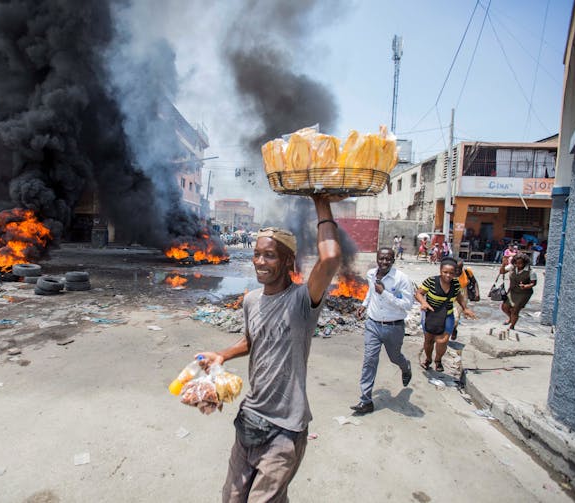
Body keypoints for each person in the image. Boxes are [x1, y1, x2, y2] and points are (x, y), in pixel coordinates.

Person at [197, 194, 344, 502]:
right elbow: (253, 340)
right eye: (256, 254)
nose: (259, 262)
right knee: (232, 497)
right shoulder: (251, 300)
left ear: (289, 261)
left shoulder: (303, 301)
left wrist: (320, 200)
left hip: (286, 429)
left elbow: (329, 258)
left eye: (270, 256)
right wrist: (222, 355)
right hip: (250, 419)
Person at [350, 248, 414, 415]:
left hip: (394, 326)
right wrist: (364, 306)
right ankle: (366, 401)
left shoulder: (401, 279)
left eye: (388, 259)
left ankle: (405, 366)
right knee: (369, 361)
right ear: (377, 258)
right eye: (381, 258)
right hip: (373, 324)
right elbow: (371, 291)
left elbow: (407, 304)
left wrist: (384, 293)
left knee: (395, 357)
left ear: (393, 260)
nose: (384, 262)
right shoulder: (371, 274)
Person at [415, 257, 476, 372]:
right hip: (431, 314)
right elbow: (418, 293)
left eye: (451, 273)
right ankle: (428, 359)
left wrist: (465, 308)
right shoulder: (431, 281)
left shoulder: (456, 284)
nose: (448, 275)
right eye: (445, 272)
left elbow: (458, 296)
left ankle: (438, 360)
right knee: (429, 340)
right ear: (440, 271)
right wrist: (423, 302)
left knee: (442, 340)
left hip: (447, 315)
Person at [499, 252, 537, 329]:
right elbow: (502, 272)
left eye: (520, 263)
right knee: (504, 307)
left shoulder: (531, 271)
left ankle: (512, 325)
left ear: (525, 263)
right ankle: (510, 318)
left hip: (523, 293)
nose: (518, 265)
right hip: (512, 291)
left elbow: (533, 283)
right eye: (516, 263)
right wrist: (503, 264)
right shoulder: (512, 267)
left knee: (515, 310)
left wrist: (526, 286)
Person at [451, 258, 480, 340]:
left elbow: (474, 282)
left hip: (463, 295)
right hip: (450, 294)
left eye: (459, 268)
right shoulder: (449, 273)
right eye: (456, 269)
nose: (457, 271)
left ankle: (454, 329)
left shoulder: (467, 272)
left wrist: (477, 293)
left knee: (456, 316)